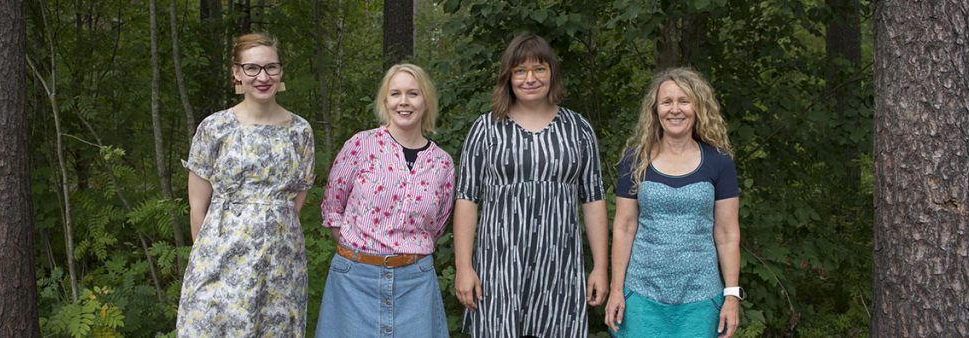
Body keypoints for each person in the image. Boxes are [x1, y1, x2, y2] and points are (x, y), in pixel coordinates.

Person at [453, 32, 610, 337]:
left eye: (539, 69)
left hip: (559, 269)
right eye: (520, 71)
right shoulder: (485, 129)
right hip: (498, 270)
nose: (530, 78)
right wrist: (463, 267)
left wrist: (600, 268)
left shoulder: (578, 129)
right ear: (508, 77)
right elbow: (467, 199)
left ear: (552, 73)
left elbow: (593, 199)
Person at [176, 32, 314, 337]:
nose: (262, 76)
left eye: (271, 67)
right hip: (221, 258)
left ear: (281, 72)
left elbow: (298, 195)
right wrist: (210, 258)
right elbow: (197, 209)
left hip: (281, 262)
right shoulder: (214, 128)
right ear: (237, 73)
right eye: (252, 68)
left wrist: (271, 220)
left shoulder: (300, 131)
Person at [315, 64, 455, 337]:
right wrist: (363, 254)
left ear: (426, 100)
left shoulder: (442, 163)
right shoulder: (360, 145)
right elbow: (333, 209)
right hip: (355, 281)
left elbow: (436, 226)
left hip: (415, 284)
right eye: (395, 94)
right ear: (385, 101)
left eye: (413, 94)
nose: (404, 102)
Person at [604, 67, 742, 337]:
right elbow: (624, 227)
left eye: (684, 101)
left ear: (698, 107)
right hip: (641, 297)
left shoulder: (719, 162)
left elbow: (727, 234)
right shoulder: (635, 160)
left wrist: (731, 296)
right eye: (667, 102)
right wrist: (616, 289)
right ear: (655, 109)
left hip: (701, 299)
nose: (675, 109)